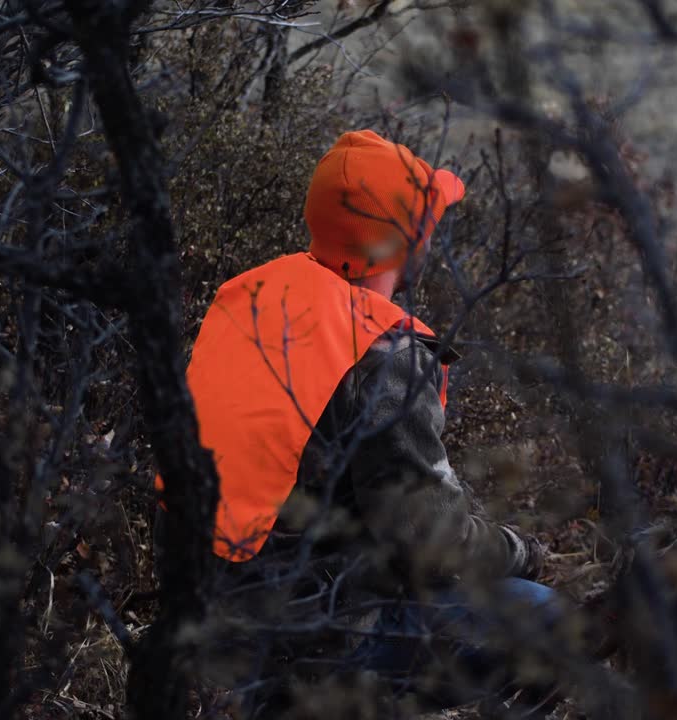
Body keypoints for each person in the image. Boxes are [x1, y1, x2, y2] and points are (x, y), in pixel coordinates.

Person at [154, 129, 557, 717]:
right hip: (305, 633)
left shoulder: (253, 297)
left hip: (200, 608)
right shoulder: (386, 356)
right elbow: (432, 546)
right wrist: (521, 551)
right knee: (545, 616)